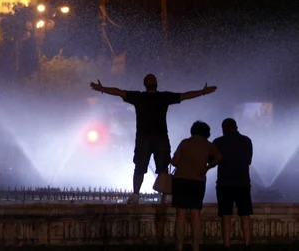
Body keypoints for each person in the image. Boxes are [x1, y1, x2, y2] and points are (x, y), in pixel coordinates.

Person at [89, 74, 217, 203]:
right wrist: (202, 92)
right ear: (157, 84)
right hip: (160, 137)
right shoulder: (163, 97)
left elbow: (119, 92)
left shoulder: (139, 97)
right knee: (163, 168)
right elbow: (184, 96)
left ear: (144, 85)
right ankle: (166, 194)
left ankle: (136, 194)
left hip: (143, 138)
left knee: (139, 167)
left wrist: (103, 89)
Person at [171, 121, 222, 251]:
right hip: (198, 181)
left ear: (192, 130)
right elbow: (218, 157)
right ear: (206, 133)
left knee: (180, 214)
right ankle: (195, 247)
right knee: (195, 214)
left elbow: (175, 161)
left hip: (181, 180)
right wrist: (207, 167)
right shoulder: (208, 145)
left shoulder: (184, 142)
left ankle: (179, 246)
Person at [213, 118, 253, 250]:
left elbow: (213, 160)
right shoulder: (246, 141)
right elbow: (248, 161)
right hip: (242, 182)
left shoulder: (218, 142)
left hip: (224, 183)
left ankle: (227, 245)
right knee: (245, 215)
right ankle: (247, 244)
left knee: (226, 215)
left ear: (224, 128)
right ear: (236, 127)